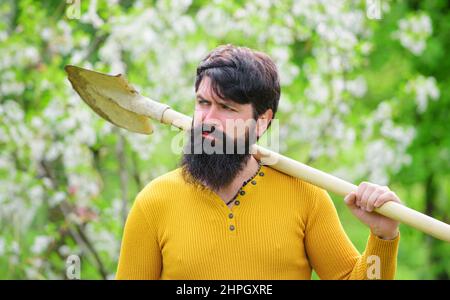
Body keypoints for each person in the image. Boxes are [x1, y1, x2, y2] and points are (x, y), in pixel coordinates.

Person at [116, 44, 400, 280]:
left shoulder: (306, 196)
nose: (208, 120)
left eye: (227, 108)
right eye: (203, 103)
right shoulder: (153, 203)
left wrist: (383, 236)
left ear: (261, 121)